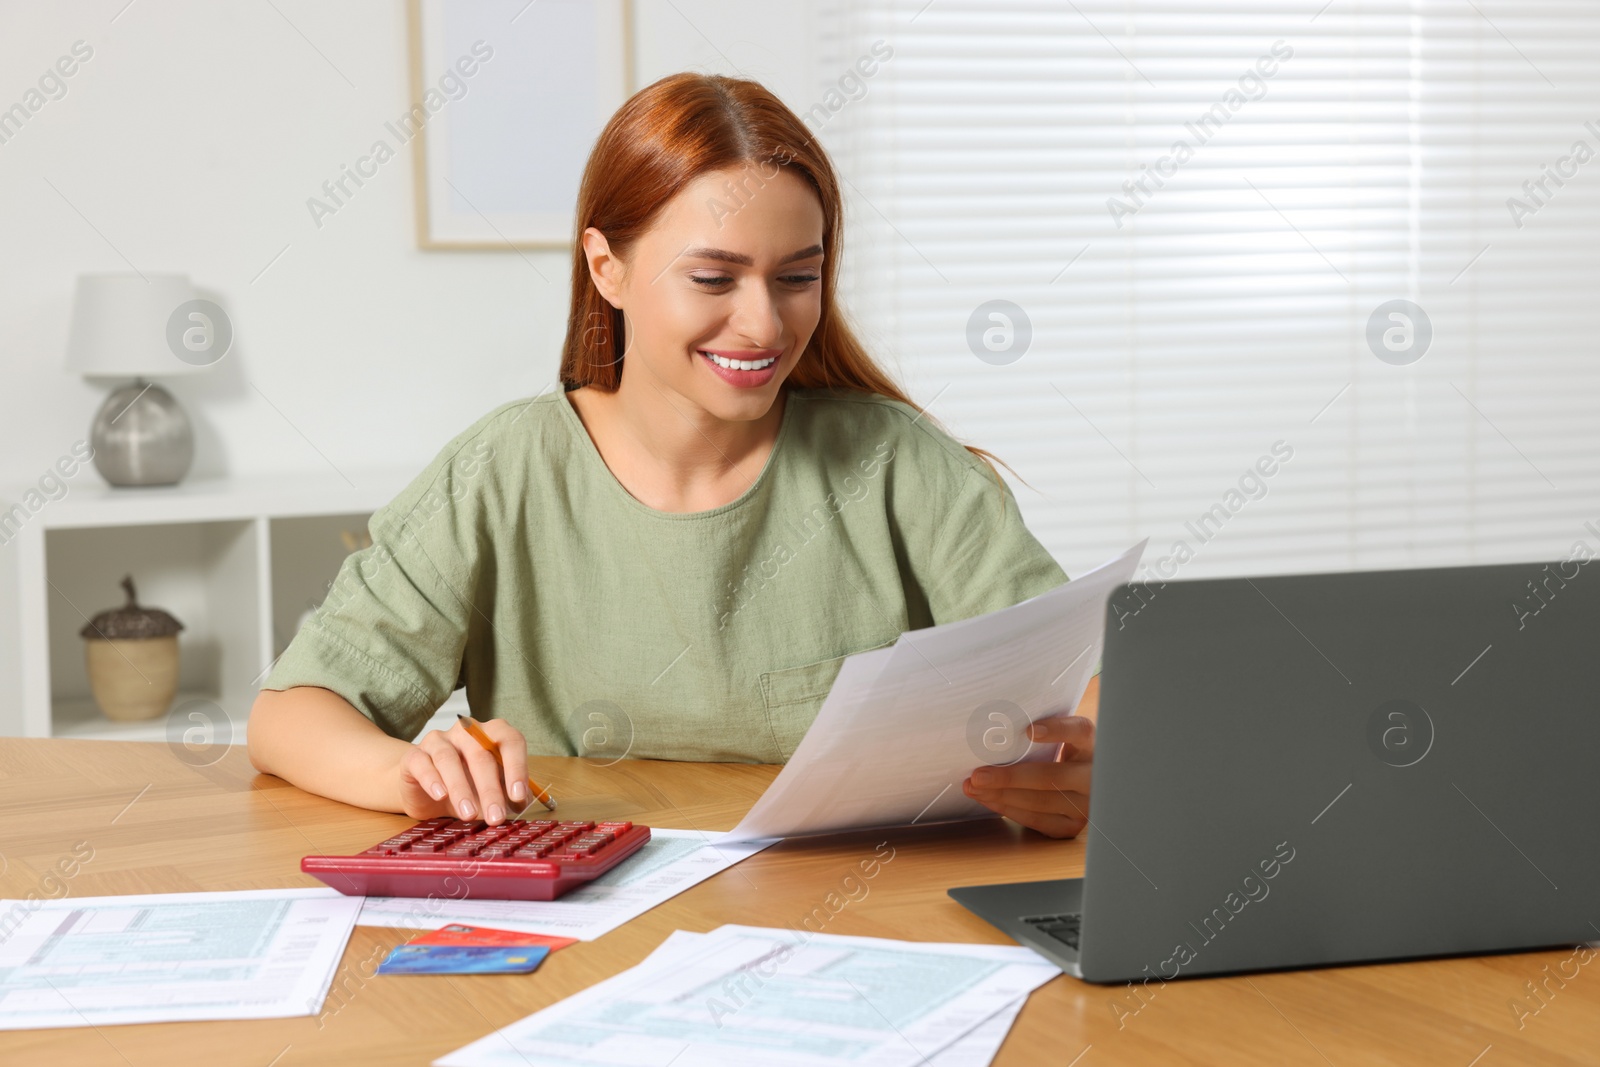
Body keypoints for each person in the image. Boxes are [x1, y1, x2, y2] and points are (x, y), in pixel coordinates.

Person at [247, 72, 1094, 839]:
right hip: (586, 939)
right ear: (607, 268)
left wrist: (1086, 768)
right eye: (715, 280)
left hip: (853, 921)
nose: (764, 325)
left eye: (797, 278)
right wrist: (409, 771)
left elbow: (1081, 690)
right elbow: (290, 714)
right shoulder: (502, 472)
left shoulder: (898, 464)